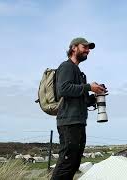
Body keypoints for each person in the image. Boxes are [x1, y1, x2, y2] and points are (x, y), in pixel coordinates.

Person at [51, 37, 106, 180]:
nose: (88, 51)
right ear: (74, 48)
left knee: (74, 163)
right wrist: (88, 87)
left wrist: (96, 95)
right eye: (85, 47)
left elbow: (81, 98)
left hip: (78, 122)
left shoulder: (78, 72)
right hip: (69, 122)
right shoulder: (66, 66)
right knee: (66, 162)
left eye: (89, 48)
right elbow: (63, 89)